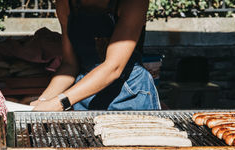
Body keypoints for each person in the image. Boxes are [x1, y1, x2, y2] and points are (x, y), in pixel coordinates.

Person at [30, 0, 161, 111]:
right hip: (83, 95)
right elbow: (69, 65)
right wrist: (43, 100)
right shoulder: (65, 4)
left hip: (130, 93)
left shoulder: (133, 3)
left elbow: (113, 67)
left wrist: (60, 102)